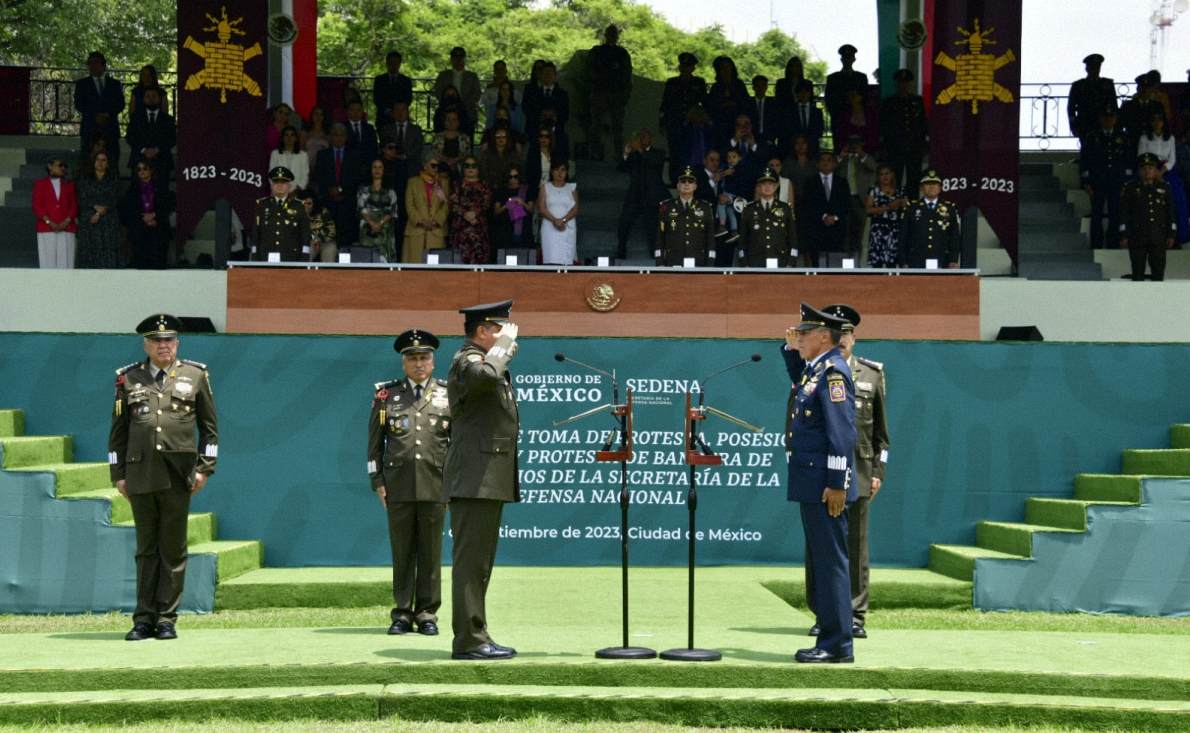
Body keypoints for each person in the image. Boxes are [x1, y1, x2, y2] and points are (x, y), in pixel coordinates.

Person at [108, 314, 218, 642]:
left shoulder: (195, 376)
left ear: (177, 343)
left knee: (172, 548)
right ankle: (143, 619)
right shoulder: (129, 379)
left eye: (169, 340)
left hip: (178, 474)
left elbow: (210, 430)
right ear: (146, 344)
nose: (163, 346)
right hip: (139, 473)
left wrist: (204, 468)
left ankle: (167, 619)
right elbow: (118, 433)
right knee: (146, 549)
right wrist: (118, 474)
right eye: (157, 341)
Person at [802, 304, 888, 640]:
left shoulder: (871, 374)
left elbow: (882, 433)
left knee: (855, 544)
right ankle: (823, 612)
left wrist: (879, 470)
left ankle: (853, 614)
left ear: (853, 336)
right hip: (824, 471)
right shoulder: (815, 371)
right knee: (819, 545)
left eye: (849, 332)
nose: (844, 339)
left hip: (861, 471)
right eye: (841, 332)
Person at [444, 300, 521, 660]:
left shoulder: (483, 361)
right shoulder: (468, 361)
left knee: (480, 563)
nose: (509, 337)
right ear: (482, 331)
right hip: (474, 478)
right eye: (501, 330)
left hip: (484, 478)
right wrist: (503, 348)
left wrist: (502, 348)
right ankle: (470, 641)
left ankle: (477, 635)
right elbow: (486, 378)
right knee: (471, 564)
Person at [781, 302, 856, 663]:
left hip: (827, 486)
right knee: (822, 562)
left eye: (805, 333)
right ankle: (828, 638)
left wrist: (838, 484)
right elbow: (799, 380)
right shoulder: (816, 371)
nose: (799, 337)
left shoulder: (834, 374)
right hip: (813, 483)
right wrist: (790, 348)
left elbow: (841, 434)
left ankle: (837, 644)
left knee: (831, 564)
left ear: (824, 336)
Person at [368, 329, 450, 637]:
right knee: (402, 551)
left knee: (430, 552)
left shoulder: (448, 393)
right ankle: (402, 613)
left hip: (436, 483)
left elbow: (455, 443)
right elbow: (374, 445)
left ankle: (427, 613)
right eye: (412, 358)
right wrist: (377, 480)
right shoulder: (386, 395)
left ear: (433, 361)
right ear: (403, 363)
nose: (419, 364)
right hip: (398, 485)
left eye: (424, 357)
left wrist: (453, 482)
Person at [1079, 107, 1131, 249]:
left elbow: (1128, 161)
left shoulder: (1123, 137)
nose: (1108, 120)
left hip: (1116, 182)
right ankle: (1096, 244)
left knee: (1115, 213)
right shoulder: (1092, 137)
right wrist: (1086, 182)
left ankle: (1113, 243)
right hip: (1098, 181)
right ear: (1100, 119)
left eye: (1111, 117)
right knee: (1097, 213)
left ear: (1116, 119)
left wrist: (1126, 182)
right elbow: (1085, 160)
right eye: (1105, 117)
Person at [1120, 153, 1176, 281]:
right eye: (1144, 168)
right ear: (1139, 171)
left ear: (1156, 170)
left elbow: (1171, 213)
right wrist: (1123, 234)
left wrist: (1172, 234)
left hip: (1158, 237)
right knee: (1137, 274)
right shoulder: (1131, 188)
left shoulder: (1165, 188)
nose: (1147, 171)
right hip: (1137, 236)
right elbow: (1124, 213)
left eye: (1150, 168)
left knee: (1158, 274)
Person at [615, 129, 669, 260]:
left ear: (650, 138)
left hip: (652, 197)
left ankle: (654, 255)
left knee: (652, 227)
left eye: (645, 136)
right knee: (624, 222)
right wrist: (626, 154)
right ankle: (621, 251)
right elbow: (621, 168)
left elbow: (653, 164)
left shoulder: (658, 153)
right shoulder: (635, 155)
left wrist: (640, 150)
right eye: (641, 136)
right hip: (635, 196)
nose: (642, 139)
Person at [1138, 112, 1190, 243]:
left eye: (1160, 120)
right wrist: (1153, 171)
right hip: (1149, 169)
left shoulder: (1170, 138)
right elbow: (1141, 157)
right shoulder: (1144, 138)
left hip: (1166, 170)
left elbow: (1172, 160)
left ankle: (1180, 236)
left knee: (1178, 198)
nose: (1157, 123)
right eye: (1154, 120)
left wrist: (1161, 172)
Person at [312, 123, 363, 252]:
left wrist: (341, 190)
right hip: (328, 203)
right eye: (335, 135)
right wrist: (329, 190)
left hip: (347, 203)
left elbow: (356, 178)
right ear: (330, 137)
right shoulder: (322, 155)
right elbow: (319, 177)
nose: (338, 138)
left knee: (346, 241)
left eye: (341, 135)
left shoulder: (354, 155)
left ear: (346, 137)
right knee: (328, 240)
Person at [586, 25, 633, 161]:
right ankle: (594, 154)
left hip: (616, 94)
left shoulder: (622, 53)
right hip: (600, 93)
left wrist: (625, 96)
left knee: (617, 127)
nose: (612, 36)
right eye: (610, 34)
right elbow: (589, 72)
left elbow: (627, 76)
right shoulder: (597, 52)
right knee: (596, 126)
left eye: (614, 34)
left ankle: (618, 155)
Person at [879, 69, 928, 195]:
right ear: (896, 84)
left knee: (914, 179)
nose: (904, 86)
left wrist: (924, 143)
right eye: (901, 83)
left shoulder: (917, 101)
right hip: (895, 146)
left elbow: (923, 123)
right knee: (895, 178)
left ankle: (912, 207)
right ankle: (895, 208)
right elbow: (884, 125)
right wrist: (885, 145)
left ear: (910, 84)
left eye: (906, 83)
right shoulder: (889, 103)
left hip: (914, 146)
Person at [898, 170, 961, 268]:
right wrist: (903, 261)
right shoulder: (911, 208)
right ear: (921, 188)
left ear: (940, 188)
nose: (932, 187)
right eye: (927, 184)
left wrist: (953, 259)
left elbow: (954, 236)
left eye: (935, 184)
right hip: (915, 260)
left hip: (942, 260)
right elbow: (903, 236)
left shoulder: (950, 208)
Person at [74, 51, 125, 170]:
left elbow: (120, 104)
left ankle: (112, 185)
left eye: (96, 63)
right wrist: (94, 115)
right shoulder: (82, 84)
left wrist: (107, 114)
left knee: (112, 160)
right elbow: (79, 104)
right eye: (90, 63)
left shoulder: (115, 84)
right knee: (88, 160)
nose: (92, 66)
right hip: (90, 128)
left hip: (110, 127)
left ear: (103, 65)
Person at [655, 165, 715, 266]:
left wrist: (710, 262)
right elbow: (660, 236)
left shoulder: (705, 207)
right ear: (678, 185)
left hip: (699, 262)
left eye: (690, 181)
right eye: (683, 181)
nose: (686, 184)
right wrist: (659, 261)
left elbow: (710, 238)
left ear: (695, 186)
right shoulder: (666, 206)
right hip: (673, 261)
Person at [119, 160, 173, 269]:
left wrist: (155, 215)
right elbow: (127, 210)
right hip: (139, 232)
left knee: (157, 265)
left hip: (158, 230)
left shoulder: (161, 187)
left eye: (145, 168)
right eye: (138, 169)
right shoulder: (132, 190)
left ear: (151, 170)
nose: (141, 171)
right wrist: (142, 218)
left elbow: (168, 206)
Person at [739, 167, 797, 267]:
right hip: (755, 262)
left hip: (781, 261)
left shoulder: (785, 208)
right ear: (758, 187)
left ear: (775, 187)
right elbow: (742, 240)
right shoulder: (749, 209)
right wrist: (744, 264)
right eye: (764, 184)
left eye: (770, 184)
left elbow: (793, 238)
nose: (767, 187)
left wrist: (791, 262)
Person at [801, 151, 851, 266]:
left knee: (835, 265)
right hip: (816, 230)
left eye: (829, 160)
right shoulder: (810, 182)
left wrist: (835, 217)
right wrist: (823, 216)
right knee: (817, 265)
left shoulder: (842, 182)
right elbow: (807, 205)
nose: (826, 163)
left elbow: (847, 205)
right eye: (823, 160)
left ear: (834, 164)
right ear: (818, 164)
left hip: (837, 230)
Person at [254, 166, 311, 262]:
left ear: (289, 186)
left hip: (291, 257)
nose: (279, 185)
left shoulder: (298, 206)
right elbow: (256, 232)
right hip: (265, 257)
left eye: (283, 183)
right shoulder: (262, 205)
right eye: (276, 182)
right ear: (271, 185)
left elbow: (305, 234)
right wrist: (255, 254)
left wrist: (304, 257)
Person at [659, 52, 707, 167]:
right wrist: (662, 122)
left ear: (693, 68)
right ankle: (674, 179)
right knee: (674, 152)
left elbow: (704, 102)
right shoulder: (672, 83)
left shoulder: (698, 83)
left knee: (691, 152)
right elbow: (665, 103)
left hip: (692, 123)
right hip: (674, 121)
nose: (685, 69)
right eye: (683, 66)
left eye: (688, 66)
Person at [76, 150, 122, 269]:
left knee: (108, 253)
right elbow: (81, 197)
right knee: (89, 253)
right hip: (89, 219)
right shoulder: (84, 178)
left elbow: (115, 198)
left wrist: (101, 211)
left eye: (103, 160)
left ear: (108, 163)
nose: (100, 163)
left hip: (109, 219)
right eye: (97, 160)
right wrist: (95, 208)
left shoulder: (113, 178)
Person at [32, 158, 78, 269]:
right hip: (46, 228)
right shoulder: (40, 184)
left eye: (64, 166)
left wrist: (66, 222)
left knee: (66, 263)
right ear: (50, 166)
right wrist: (49, 222)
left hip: (66, 228)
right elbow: (36, 206)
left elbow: (74, 206)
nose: (63, 168)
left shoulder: (69, 185)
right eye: (60, 165)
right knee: (47, 263)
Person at [838, 134, 877, 257]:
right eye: (851, 144)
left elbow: (873, 167)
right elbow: (831, 169)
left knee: (861, 230)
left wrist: (861, 154)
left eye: (856, 144)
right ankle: (845, 257)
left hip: (860, 199)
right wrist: (841, 156)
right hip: (844, 198)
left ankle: (860, 257)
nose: (853, 147)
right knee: (845, 229)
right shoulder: (843, 159)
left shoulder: (864, 159)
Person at [404, 159, 450, 263]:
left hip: (436, 231)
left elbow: (446, 205)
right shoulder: (412, 182)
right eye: (433, 165)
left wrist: (436, 220)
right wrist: (421, 221)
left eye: (438, 166)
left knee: (435, 270)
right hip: (416, 231)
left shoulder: (443, 183)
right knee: (414, 269)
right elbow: (409, 205)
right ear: (425, 166)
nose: (436, 168)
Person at [125, 86, 175, 182]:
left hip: (162, 159)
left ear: (159, 99)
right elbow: (130, 137)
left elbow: (172, 139)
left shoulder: (168, 119)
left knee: (162, 192)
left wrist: (156, 150)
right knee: (137, 192)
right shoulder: (135, 118)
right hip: (139, 157)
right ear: (143, 99)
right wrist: (144, 150)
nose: (151, 99)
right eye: (147, 96)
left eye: (154, 96)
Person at [449, 156, 493, 264]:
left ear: (478, 169)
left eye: (474, 166)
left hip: (478, 227)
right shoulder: (456, 185)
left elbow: (486, 203)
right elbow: (452, 203)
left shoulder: (484, 185)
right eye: (467, 166)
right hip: (460, 228)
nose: (470, 168)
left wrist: (474, 214)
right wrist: (465, 214)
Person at [864, 165, 908, 268]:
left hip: (894, 230)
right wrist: (888, 207)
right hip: (878, 230)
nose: (885, 177)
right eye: (881, 174)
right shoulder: (873, 191)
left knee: (892, 263)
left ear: (892, 175)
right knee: (877, 264)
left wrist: (902, 203)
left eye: (887, 173)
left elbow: (907, 207)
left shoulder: (900, 191)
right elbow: (868, 210)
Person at [1068, 54, 1117, 146]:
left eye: (1097, 67)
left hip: (1104, 124)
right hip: (1085, 124)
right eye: (1092, 67)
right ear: (1087, 69)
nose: (1095, 70)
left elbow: (1114, 105)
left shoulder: (1107, 84)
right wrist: (1073, 125)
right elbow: (1071, 108)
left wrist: (1114, 124)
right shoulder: (1078, 86)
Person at [357, 159, 400, 262]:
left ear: (384, 170)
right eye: (374, 167)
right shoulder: (363, 190)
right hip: (367, 228)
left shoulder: (390, 191)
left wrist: (379, 224)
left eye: (380, 167)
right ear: (370, 170)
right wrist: (372, 224)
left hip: (385, 229)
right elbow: (360, 209)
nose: (377, 170)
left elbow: (392, 211)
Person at [824, 45, 868, 146]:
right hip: (839, 121)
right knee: (840, 150)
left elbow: (865, 98)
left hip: (857, 121)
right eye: (845, 58)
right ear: (841, 59)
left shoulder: (861, 77)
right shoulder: (833, 78)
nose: (847, 60)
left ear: (854, 59)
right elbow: (829, 101)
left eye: (849, 57)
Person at [434, 47, 482, 134]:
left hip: (468, 114)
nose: (458, 59)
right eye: (455, 56)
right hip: (446, 113)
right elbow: (438, 92)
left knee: (467, 141)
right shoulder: (443, 75)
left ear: (464, 58)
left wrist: (462, 104)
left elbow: (477, 94)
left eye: (461, 56)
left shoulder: (472, 76)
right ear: (451, 59)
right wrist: (449, 104)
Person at [538, 160, 578, 264]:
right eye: (556, 170)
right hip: (549, 226)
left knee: (566, 260)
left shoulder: (572, 187)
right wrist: (555, 221)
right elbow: (542, 208)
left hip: (567, 227)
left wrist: (563, 220)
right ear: (551, 172)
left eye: (563, 170)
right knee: (551, 258)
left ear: (567, 172)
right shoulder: (545, 187)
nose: (560, 173)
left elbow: (575, 209)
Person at [706, 56, 750, 151]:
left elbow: (746, 104)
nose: (725, 71)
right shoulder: (716, 87)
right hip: (720, 126)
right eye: (722, 69)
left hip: (738, 124)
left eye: (727, 68)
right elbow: (711, 107)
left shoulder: (739, 85)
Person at [523, 62, 569, 140]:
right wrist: (541, 115)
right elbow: (527, 109)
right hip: (536, 131)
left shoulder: (562, 94)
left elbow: (565, 114)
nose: (548, 75)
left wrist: (553, 115)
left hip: (557, 132)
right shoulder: (533, 94)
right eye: (545, 73)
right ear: (541, 75)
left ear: (555, 76)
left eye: (550, 73)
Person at [491, 166, 531, 252]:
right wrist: (506, 206)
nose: (513, 179)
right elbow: (496, 212)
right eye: (510, 177)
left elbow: (531, 210)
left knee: (522, 258)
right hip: (505, 230)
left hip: (523, 230)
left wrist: (522, 202)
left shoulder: (526, 190)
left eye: (515, 176)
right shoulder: (501, 191)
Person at [295, 190, 338, 262]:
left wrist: (319, 239)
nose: (306, 206)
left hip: (323, 241)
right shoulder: (293, 213)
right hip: (303, 243)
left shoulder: (323, 212)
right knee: (308, 249)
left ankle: (328, 272)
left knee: (331, 248)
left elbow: (331, 231)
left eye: (309, 203)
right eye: (303, 203)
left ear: (314, 204)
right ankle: (304, 272)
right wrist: (312, 240)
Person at [373, 51, 413, 126]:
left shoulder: (406, 81)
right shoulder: (379, 80)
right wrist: (388, 111)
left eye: (396, 63)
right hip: (383, 118)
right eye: (391, 62)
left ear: (399, 64)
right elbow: (377, 99)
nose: (393, 65)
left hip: (401, 117)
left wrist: (398, 111)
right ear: (387, 63)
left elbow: (408, 99)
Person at [379, 101, 425, 165]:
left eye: (403, 109)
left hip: (411, 165)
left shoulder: (416, 130)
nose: (400, 112)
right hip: (391, 165)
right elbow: (383, 147)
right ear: (393, 113)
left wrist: (405, 156)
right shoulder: (386, 129)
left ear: (408, 112)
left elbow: (418, 148)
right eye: (397, 110)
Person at [787, 80, 825, 156]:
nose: (803, 95)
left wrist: (809, 140)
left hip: (813, 146)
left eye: (806, 92)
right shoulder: (790, 111)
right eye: (800, 92)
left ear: (810, 94)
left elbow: (820, 129)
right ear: (796, 94)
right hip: (795, 147)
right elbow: (788, 129)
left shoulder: (817, 112)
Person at [430, 109, 472, 176]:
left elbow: (466, 154)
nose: (451, 122)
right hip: (440, 167)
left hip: (459, 168)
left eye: (454, 120)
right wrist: (447, 161)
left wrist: (454, 160)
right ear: (444, 121)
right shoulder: (437, 137)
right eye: (448, 119)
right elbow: (434, 152)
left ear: (458, 122)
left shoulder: (465, 138)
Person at [270, 125, 310, 191]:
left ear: (296, 138)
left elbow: (305, 176)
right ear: (282, 138)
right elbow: (272, 174)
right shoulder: (275, 154)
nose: (289, 138)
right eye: (286, 135)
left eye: (292, 135)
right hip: (278, 192)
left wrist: (296, 191)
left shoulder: (303, 155)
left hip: (297, 193)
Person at [346, 100, 379, 171]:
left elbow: (374, 148)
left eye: (358, 110)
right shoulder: (342, 128)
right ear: (347, 111)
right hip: (348, 167)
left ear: (362, 112)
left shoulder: (369, 128)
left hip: (367, 168)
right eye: (352, 110)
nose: (356, 113)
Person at [748, 75, 779, 146]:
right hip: (751, 138)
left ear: (766, 87)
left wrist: (772, 138)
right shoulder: (748, 103)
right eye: (757, 85)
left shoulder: (773, 103)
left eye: (763, 85)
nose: (760, 88)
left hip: (769, 139)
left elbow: (776, 122)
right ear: (753, 87)